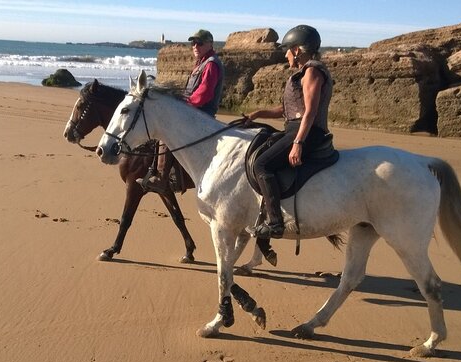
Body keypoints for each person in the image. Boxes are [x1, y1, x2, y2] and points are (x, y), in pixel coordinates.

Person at [244, 25, 333, 239]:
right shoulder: (301, 73)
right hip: (295, 128)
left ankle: (275, 223)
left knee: (261, 164)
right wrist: (257, 114)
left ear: (297, 50)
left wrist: (298, 143)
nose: (285, 55)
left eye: (287, 50)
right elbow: (287, 111)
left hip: (308, 132)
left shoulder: (312, 71)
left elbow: (310, 112)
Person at [137, 29, 224, 194]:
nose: (195, 46)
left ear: (210, 44)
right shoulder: (201, 63)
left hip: (200, 115)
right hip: (193, 111)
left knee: (165, 129)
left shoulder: (211, 64)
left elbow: (204, 94)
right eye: (193, 43)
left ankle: (161, 178)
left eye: (200, 43)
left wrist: (183, 105)